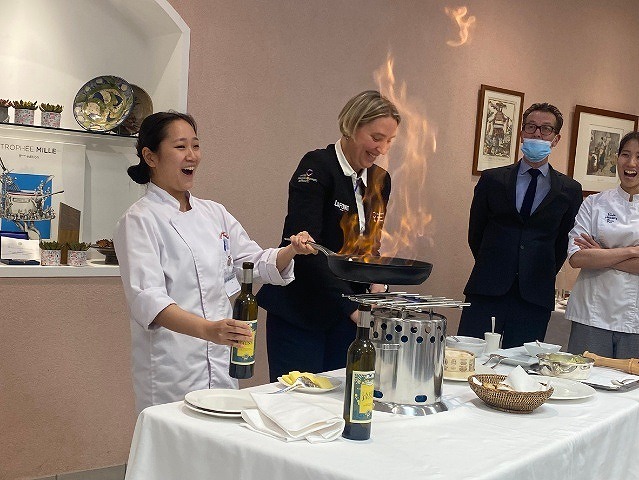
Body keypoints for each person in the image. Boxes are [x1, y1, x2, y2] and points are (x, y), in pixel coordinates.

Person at [113, 111, 315, 413]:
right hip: (173, 366)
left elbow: (251, 262)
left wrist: (292, 250)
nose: (192, 155)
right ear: (150, 157)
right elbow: (149, 300)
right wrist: (209, 330)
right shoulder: (139, 220)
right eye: (180, 147)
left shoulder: (214, 213)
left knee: (220, 434)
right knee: (177, 438)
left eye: (196, 145)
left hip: (220, 361)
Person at [256, 90, 400, 381]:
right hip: (303, 313)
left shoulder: (380, 180)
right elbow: (308, 250)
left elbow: (370, 244)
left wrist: (377, 283)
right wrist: (351, 308)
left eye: (389, 140)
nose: (382, 149)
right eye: (376, 138)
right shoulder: (317, 167)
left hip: (346, 317)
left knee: (341, 396)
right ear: (352, 125)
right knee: (297, 399)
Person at [457, 102, 583, 348]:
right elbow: (476, 233)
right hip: (488, 287)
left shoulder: (569, 190)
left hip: (534, 294)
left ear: (556, 139)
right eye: (531, 127)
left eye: (546, 129)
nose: (537, 134)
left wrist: (536, 270)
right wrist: (497, 263)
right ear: (521, 133)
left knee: (522, 364)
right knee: (470, 357)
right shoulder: (492, 180)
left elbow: (562, 243)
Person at [565, 131, 639, 358]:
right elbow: (577, 257)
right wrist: (631, 251)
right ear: (616, 158)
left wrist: (600, 254)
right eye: (625, 154)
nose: (631, 163)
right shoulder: (594, 204)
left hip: (635, 320)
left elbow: (590, 257)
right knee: (584, 377)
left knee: (629, 381)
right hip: (591, 313)